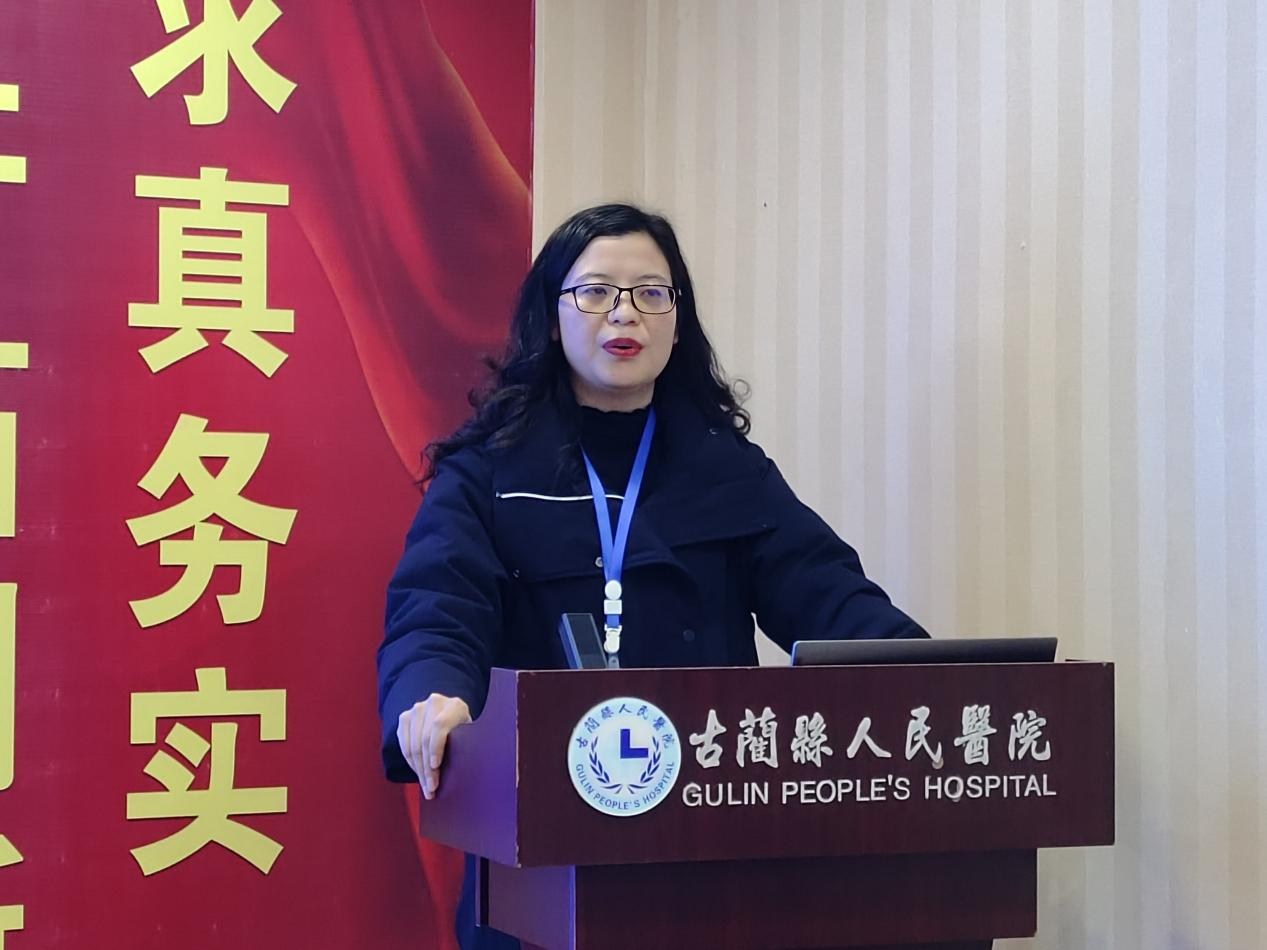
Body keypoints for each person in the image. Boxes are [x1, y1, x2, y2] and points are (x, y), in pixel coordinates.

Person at [376, 203, 928, 949]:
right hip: (542, 836)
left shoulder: (725, 469)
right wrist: (432, 696)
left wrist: (942, 678)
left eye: (650, 292)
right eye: (595, 291)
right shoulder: (489, 474)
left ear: (677, 319)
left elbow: (829, 595)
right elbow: (437, 611)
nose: (623, 312)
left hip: (705, 834)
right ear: (551, 318)